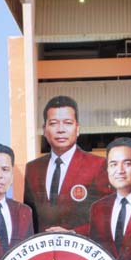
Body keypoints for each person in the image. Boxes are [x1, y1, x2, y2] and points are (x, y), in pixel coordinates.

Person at [23, 96, 112, 233]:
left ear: (77, 128)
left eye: (68, 123)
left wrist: (73, 234)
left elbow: (108, 216)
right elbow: (29, 219)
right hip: (42, 245)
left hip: (80, 245)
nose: (61, 130)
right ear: (45, 129)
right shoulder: (33, 168)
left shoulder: (98, 165)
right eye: (53, 123)